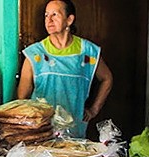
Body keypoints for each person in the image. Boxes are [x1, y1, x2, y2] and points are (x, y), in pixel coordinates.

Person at [17, 0, 113, 138]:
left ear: (69, 20)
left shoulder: (87, 52)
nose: (48, 20)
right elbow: (22, 98)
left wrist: (93, 110)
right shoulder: (35, 54)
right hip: (41, 131)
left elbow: (107, 78)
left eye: (55, 14)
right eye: (46, 15)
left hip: (74, 130)